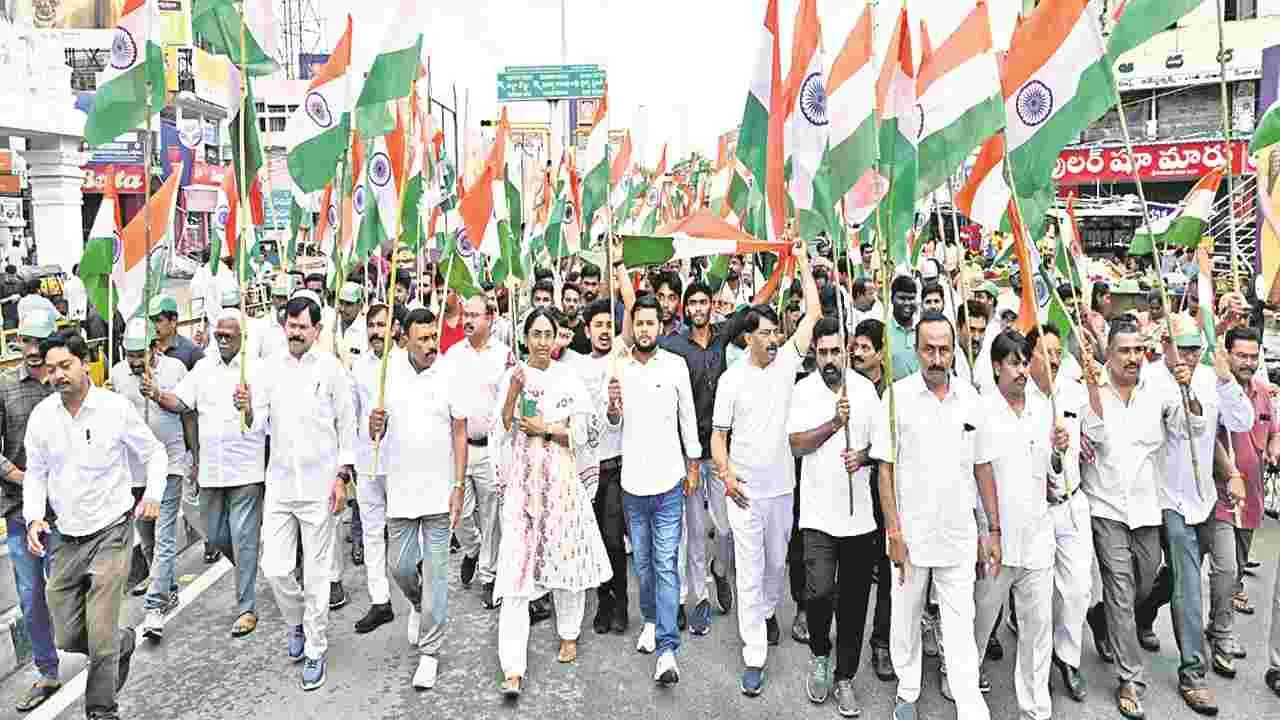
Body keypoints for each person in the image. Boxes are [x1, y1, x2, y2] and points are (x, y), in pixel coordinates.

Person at [24, 331, 167, 720]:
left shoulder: (113, 408)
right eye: (51, 369)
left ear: (84, 364)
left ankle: (101, 710)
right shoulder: (42, 418)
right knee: (68, 634)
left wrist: (152, 494)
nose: (58, 375)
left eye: (65, 366)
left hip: (112, 533)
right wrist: (34, 516)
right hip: (66, 539)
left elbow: (154, 453)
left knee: (100, 631)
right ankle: (122, 644)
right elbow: (35, 473)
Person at [873, 311, 997, 720]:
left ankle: (968, 700)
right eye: (929, 349)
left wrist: (992, 529)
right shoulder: (896, 398)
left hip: (958, 533)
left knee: (960, 622)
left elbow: (982, 467)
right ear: (916, 349)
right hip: (910, 534)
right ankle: (908, 689)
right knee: (905, 615)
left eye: (945, 350)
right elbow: (885, 470)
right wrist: (893, 530)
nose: (937, 358)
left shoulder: (971, 399)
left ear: (954, 351)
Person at [711, 236, 820, 697]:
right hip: (744, 490)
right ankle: (753, 652)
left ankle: (767, 611)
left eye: (778, 332)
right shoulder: (731, 380)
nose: (775, 339)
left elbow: (813, 315)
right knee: (750, 567)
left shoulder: (785, 365)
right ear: (746, 338)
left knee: (776, 565)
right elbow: (718, 437)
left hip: (782, 488)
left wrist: (802, 262)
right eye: (766, 333)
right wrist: (727, 474)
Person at [1082, 319, 1203, 720]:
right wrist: (1091, 393)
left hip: (1148, 508)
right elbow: (1092, 437)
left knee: (1144, 586)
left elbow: (1191, 428)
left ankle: (1101, 620)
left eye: (1138, 350)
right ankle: (1129, 678)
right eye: (1125, 350)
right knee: (1120, 589)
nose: (1133, 357)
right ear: (1109, 354)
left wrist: (1190, 393)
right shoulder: (1091, 391)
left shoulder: (1161, 390)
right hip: (1107, 508)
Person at [1132, 315, 1252, 714]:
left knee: (1177, 578)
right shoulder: (1149, 378)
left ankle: (1127, 615)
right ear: (1163, 343)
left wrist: (1223, 381)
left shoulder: (1211, 377)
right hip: (1166, 497)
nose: (1186, 356)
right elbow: (1166, 431)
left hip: (1206, 497)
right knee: (1189, 583)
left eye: (1193, 349)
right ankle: (1193, 672)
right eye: (1179, 347)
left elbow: (1239, 422)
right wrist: (1182, 399)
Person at [237, 291, 355, 690]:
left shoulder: (332, 370)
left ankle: (315, 649)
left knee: (318, 574)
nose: (296, 333)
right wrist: (248, 408)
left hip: (321, 486)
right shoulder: (270, 369)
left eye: (304, 327)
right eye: (291, 326)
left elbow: (347, 426)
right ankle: (297, 623)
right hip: (281, 484)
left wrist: (342, 476)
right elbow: (256, 425)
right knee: (275, 568)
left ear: (317, 330)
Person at [492, 308, 612, 698]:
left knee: (566, 558)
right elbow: (503, 427)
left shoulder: (568, 379)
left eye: (549, 334)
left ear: (558, 337)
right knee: (514, 571)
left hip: (561, 482)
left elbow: (586, 431)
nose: (543, 341)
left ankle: (569, 632)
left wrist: (547, 429)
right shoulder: (514, 375)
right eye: (536, 334)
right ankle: (512, 667)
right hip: (523, 488)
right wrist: (513, 391)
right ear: (526, 337)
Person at [971, 330, 1070, 720]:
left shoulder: (1044, 408)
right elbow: (973, 473)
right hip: (994, 536)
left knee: (1038, 626)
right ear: (997, 366)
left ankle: (1035, 706)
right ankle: (964, 676)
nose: (1021, 371)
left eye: (1025, 362)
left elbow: (1053, 474)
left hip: (1037, 535)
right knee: (982, 617)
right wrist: (983, 529)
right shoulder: (980, 410)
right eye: (1014, 363)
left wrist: (1060, 453)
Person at [150, 309, 267, 638]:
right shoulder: (202, 369)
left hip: (246, 469)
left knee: (243, 537)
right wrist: (157, 393)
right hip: (212, 472)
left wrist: (250, 407)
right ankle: (248, 564)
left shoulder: (256, 370)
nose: (224, 339)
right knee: (215, 536)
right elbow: (181, 402)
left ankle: (246, 608)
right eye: (220, 334)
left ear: (242, 336)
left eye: (230, 334)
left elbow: (267, 421)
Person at [368, 307, 467, 689]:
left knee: (437, 576)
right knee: (401, 567)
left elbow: (459, 432)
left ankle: (430, 652)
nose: (430, 345)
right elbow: (376, 428)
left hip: (439, 492)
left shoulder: (449, 373)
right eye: (423, 338)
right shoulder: (387, 373)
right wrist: (374, 425)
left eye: (433, 337)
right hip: (401, 491)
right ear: (405, 337)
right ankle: (416, 602)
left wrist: (458, 486)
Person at [789, 317, 880, 716]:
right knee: (820, 592)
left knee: (856, 603)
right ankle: (820, 655)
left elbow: (883, 445)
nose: (829, 359)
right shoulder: (803, 391)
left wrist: (863, 456)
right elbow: (795, 445)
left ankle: (845, 677)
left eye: (835, 352)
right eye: (822, 352)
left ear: (846, 351)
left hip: (859, 518)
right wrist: (834, 424)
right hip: (817, 517)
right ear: (814, 353)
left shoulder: (865, 391)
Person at [609, 293, 701, 685]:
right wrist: (612, 409)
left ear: (660, 326)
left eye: (651, 323)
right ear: (632, 326)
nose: (645, 329)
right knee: (644, 564)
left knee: (665, 564)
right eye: (639, 323)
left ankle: (667, 649)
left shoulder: (676, 366)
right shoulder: (619, 369)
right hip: (633, 485)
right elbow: (612, 426)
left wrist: (693, 463)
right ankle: (649, 618)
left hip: (668, 483)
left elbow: (688, 420)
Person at [1024, 324, 1101, 703]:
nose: (1053, 358)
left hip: (1072, 502)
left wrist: (1094, 383)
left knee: (1078, 588)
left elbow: (1099, 431)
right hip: (1033, 508)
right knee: (1036, 593)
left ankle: (1066, 657)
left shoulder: (1074, 390)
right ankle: (1034, 666)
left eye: (1058, 352)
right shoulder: (1018, 397)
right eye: (1045, 351)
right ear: (1029, 355)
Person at [659, 279, 740, 633]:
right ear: (684, 309)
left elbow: (760, 306)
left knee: (725, 527)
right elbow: (636, 339)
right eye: (691, 303)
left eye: (702, 302)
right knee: (692, 531)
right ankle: (699, 597)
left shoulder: (724, 334)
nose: (697, 308)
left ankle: (720, 570)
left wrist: (784, 258)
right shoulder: (673, 346)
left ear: (711, 305)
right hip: (688, 454)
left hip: (721, 452)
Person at [113, 319, 192, 641]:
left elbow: (188, 411)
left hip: (170, 464)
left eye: (139, 355)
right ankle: (168, 588)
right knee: (147, 540)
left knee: (164, 535)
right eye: (129, 354)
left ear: (154, 349)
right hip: (133, 473)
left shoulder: (175, 370)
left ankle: (155, 607)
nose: (133, 362)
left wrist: (193, 456)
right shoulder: (117, 375)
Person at [0, 310, 59, 710]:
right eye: (27, 342)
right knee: (30, 593)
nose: (34, 351)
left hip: (65, 509)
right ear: (18, 342)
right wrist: (23, 478)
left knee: (67, 590)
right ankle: (47, 671)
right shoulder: (5, 389)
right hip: (20, 509)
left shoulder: (65, 384)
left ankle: (100, 653)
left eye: (41, 342)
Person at [446, 295, 513, 608]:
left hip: (491, 449)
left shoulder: (504, 356)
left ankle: (489, 575)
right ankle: (472, 550)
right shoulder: (452, 356)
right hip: (459, 449)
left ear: (490, 318)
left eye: (475, 315)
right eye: (465, 315)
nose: (468, 321)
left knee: (491, 516)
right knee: (458, 514)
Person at [567, 297, 629, 633]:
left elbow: (633, 314)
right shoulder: (575, 365)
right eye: (598, 325)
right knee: (592, 541)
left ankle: (621, 602)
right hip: (583, 468)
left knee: (613, 539)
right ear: (587, 330)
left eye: (609, 324)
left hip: (616, 466)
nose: (604, 331)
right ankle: (603, 602)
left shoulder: (621, 357)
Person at [1221, 326, 1280, 668]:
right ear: (1227, 354)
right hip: (1216, 496)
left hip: (1251, 498)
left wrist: (1273, 448)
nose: (1248, 362)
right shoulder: (1217, 389)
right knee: (1221, 568)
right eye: (1241, 355)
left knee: (1235, 569)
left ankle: (1221, 629)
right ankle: (1220, 630)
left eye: (1253, 356)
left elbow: (1273, 429)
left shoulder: (1263, 391)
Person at [850, 318, 896, 682]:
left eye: (866, 347)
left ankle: (881, 643)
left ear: (881, 351)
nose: (858, 352)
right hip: (847, 495)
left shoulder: (896, 392)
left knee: (888, 573)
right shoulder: (843, 387)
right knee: (852, 574)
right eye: (857, 345)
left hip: (886, 493)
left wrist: (868, 454)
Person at [351, 304, 399, 635]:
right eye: (371, 325)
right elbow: (352, 415)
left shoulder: (406, 363)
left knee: (402, 530)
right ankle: (379, 601)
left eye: (382, 324)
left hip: (400, 462)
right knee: (371, 532)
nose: (376, 331)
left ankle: (415, 591)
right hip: (368, 461)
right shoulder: (358, 368)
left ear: (395, 328)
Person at [149, 294, 204, 371]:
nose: (153, 325)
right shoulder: (146, 349)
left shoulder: (192, 352)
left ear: (173, 321)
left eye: (158, 320)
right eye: (151, 320)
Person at [886, 275, 919, 381]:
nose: (907, 303)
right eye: (902, 298)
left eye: (911, 298)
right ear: (892, 299)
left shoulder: (923, 330)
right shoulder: (883, 331)